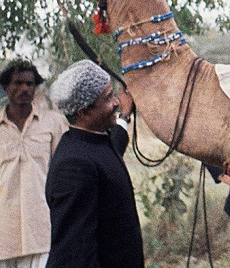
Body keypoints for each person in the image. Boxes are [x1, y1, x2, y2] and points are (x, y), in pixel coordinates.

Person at [45, 60, 143, 268]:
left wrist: (125, 115)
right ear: (83, 111)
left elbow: (109, 152)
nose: (116, 102)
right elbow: (75, 254)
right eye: (108, 98)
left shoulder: (92, 141)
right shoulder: (73, 166)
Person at [0, 59, 66, 268]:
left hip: (42, 232)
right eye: (18, 83)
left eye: (30, 84)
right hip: (4, 235)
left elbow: (65, 171)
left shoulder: (53, 123)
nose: (24, 89)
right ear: (5, 87)